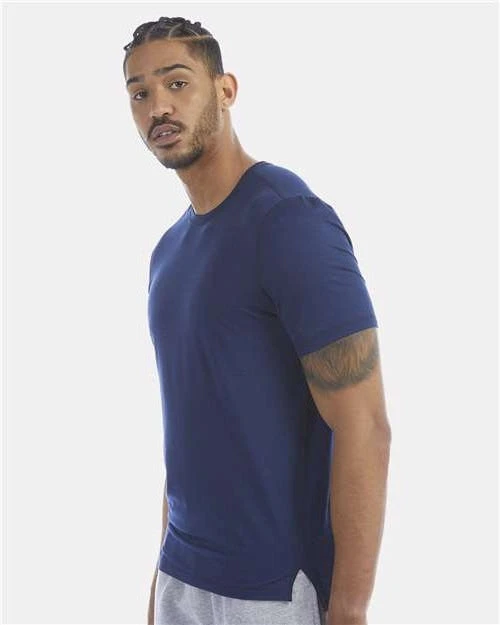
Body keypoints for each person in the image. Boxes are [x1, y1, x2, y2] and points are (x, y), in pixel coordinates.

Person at [122, 16, 391, 625]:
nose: (158, 106)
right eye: (139, 93)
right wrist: (161, 582)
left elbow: (365, 424)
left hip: (272, 589)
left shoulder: (289, 220)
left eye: (177, 82)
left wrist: (349, 609)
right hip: (182, 578)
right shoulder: (168, 252)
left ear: (225, 89)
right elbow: (190, 432)